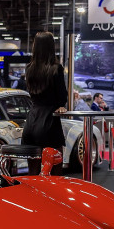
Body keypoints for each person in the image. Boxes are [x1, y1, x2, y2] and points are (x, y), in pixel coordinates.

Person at [21, 31, 67, 175]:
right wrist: (60, 105)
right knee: (55, 171)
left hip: (31, 122)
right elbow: (62, 96)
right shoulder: (56, 69)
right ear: (51, 47)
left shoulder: (29, 68)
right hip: (50, 122)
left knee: (33, 173)